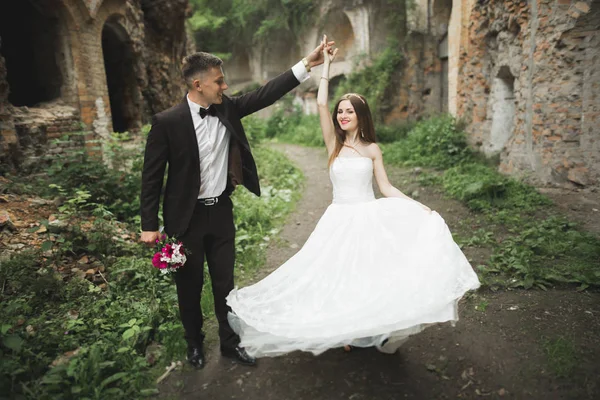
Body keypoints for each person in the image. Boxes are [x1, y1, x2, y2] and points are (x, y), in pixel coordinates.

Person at [226, 36, 481, 357]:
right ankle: (344, 328)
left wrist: (421, 208)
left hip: (369, 215)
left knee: (369, 275)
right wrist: (327, 67)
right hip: (338, 218)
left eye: (349, 111)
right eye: (341, 111)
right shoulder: (334, 145)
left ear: (361, 115)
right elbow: (320, 104)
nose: (343, 115)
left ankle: (371, 326)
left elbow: (386, 188)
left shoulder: (373, 149)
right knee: (335, 274)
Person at [140, 41, 334, 369]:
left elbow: (265, 93)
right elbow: (151, 177)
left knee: (224, 284)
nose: (225, 86)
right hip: (184, 220)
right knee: (188, 286)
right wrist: (148, 225)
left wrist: (306, 63)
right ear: (197, 84)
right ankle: (194, 344)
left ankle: (230, 344)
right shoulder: (167, 122)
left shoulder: (227, 108)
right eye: (219, 81)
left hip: (221, 213)